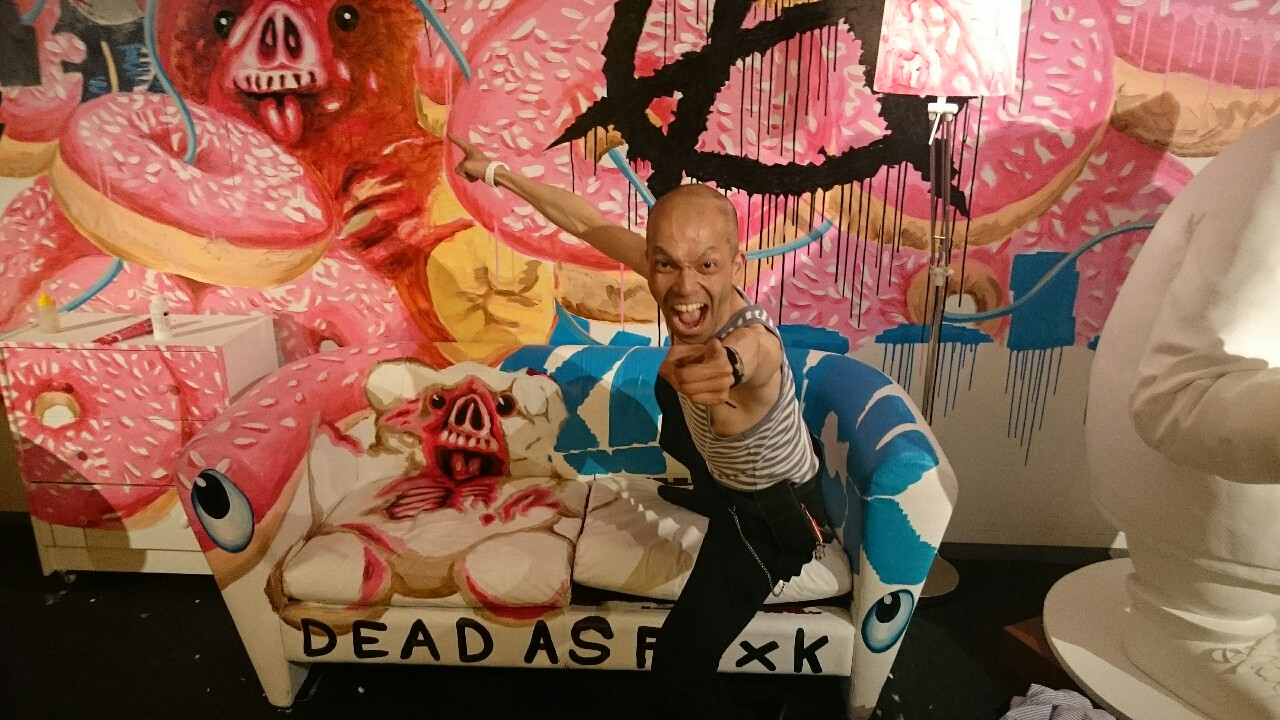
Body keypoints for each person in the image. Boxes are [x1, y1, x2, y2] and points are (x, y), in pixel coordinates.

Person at [448, 134, 831, 720]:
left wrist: (727, 366)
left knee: (678, 666)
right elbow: (585, 222)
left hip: (773, 517)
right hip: (729, 478)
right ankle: (708, 490)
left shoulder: (750, 339)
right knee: (666, 386)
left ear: (737, 265)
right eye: (666, 264)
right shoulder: (679, 281)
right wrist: (497, 170)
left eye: (707, 265)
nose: (684, 287)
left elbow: (760, 355)